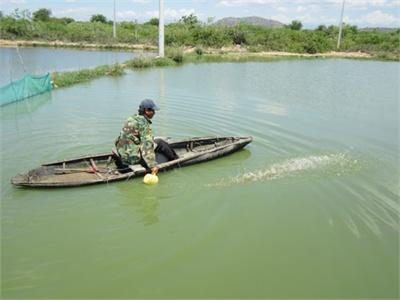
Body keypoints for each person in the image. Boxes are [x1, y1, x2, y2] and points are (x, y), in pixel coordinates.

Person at [114, 99, 178, 174]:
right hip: (132, 159)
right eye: (153, 111)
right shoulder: (143, 124)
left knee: (154, 140)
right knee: (161, 143)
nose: (154, 113)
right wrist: (152, 166)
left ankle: (175, 158)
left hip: (123, 154)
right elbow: (146, 145)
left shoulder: (131, 119)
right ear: (146, 111)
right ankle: (175, 160)